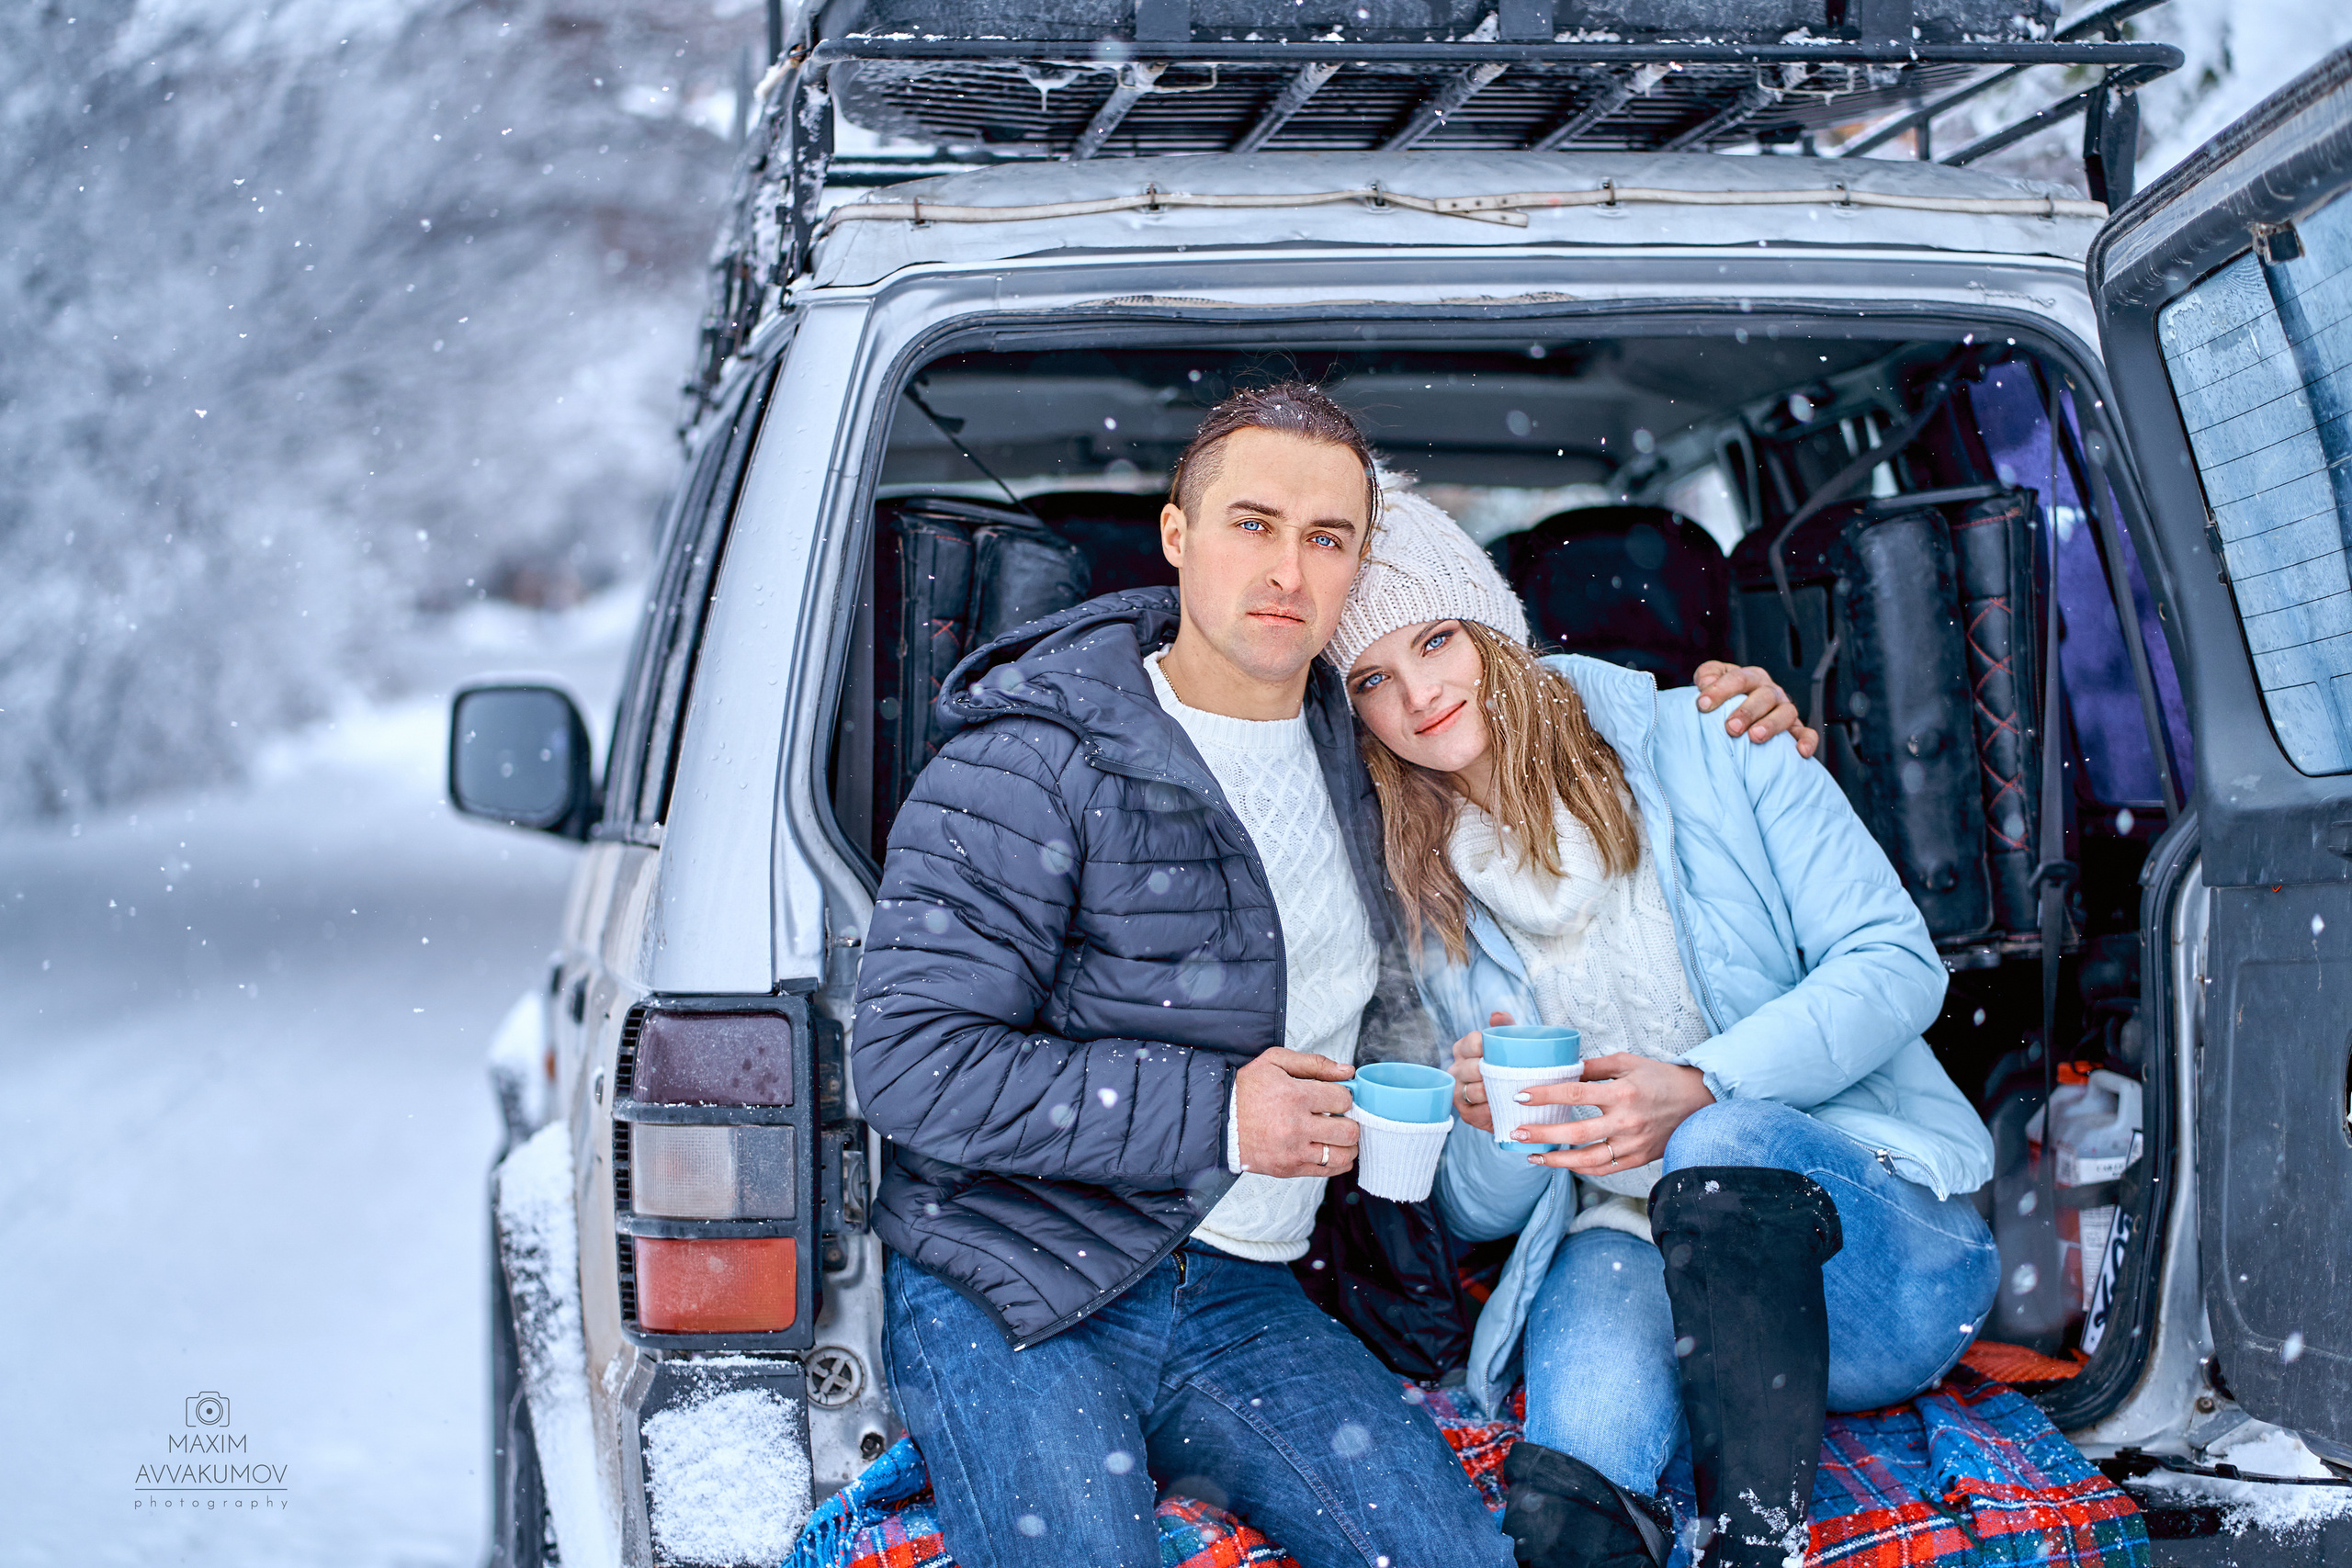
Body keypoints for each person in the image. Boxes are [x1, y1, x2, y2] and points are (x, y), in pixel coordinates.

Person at [850, 382, 1815, 1568]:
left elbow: (1543, 720)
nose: (1286, 570)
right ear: (1176, 536)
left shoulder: (1372, 752)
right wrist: (1219, 1114)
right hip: (1021, 1278)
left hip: (1245, 1288)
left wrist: (1728, 715)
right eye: (1252, 523)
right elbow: (910, 1061)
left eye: (1327, 538)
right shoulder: (1029, 760)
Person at [1329, 489, 2000, 1568]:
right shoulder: (1416, 888)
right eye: (1370, 680)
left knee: (1716, 1141)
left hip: (1871, 1263)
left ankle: (1755, 1545)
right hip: (1626, 1244)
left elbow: (1895, 967)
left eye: (1436, 640)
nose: (1418, 695)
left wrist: (1701, 1084)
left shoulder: (1721, 737)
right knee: (1572, 1481)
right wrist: (1498, 1124)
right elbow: (1471, 1210)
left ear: (1493, 626)